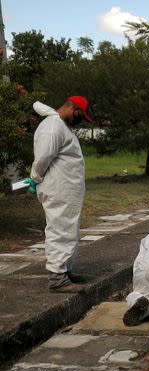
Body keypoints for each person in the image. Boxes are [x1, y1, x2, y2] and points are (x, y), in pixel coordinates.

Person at [26, 97, 92, 292]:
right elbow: (43, 158)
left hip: (65, 190)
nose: (80, 121)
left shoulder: (60, 125)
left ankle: (64, 270)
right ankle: (57, 279)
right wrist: (35, 177)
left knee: (68, 229)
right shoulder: (53, 126)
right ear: (73, 108)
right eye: (81, 116)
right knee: (60, 230)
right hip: (58, 189)